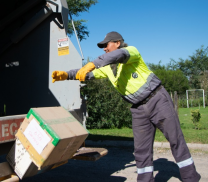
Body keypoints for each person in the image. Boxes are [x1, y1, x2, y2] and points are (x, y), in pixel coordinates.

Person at [51, 31, 201, 182]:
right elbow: (86, 74)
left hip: (157, 100)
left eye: (106, 44)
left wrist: (92, 63)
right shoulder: (108, 68)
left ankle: (191, 178)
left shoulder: (131, 52)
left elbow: (115, 56)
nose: (104, 48)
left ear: (117, 42)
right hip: (138, 109)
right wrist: (66, 75)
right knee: (141, 150)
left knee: (175, 140)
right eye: (102, 46)